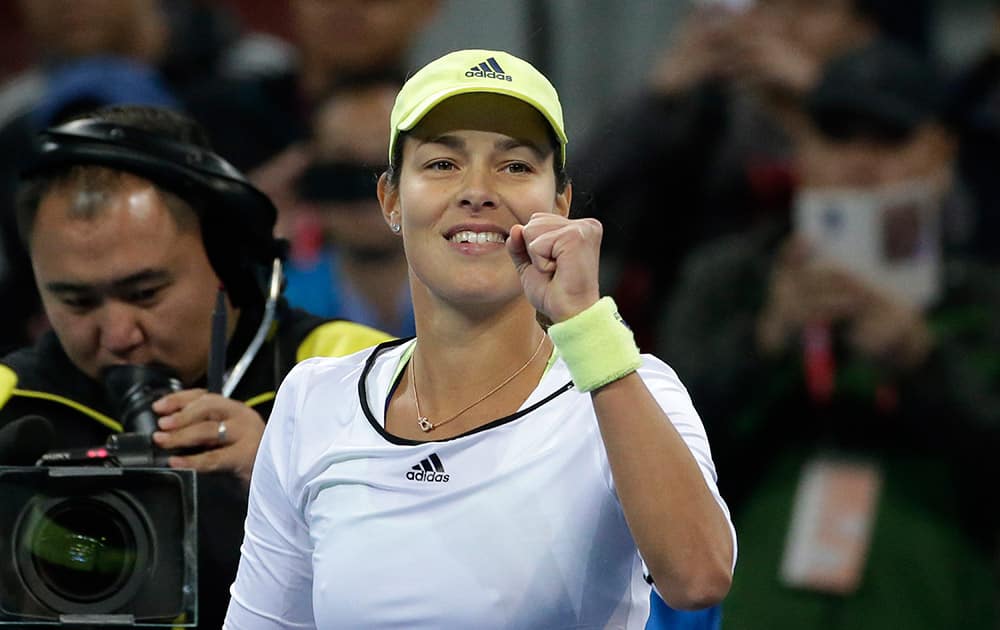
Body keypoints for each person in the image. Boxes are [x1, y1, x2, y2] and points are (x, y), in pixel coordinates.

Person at [225, 48, 736, 629]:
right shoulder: (313, 399)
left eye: (515, 166)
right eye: (442, 164)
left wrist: (586, 323)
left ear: (559, 204)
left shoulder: (630, 387)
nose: (477, 191)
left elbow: (698, 578)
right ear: (391, 199)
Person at [0, 105, 391, 628]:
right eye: (76, 302)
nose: (118, 335)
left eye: (145, 292)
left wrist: (284, 483)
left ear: (231, 263)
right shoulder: (8, 402)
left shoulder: (363, 377)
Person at [658, 41, 1000, 629]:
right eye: (838, 136)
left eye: (890, 139)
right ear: (803, 150)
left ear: (942, 154)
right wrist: (767, 339)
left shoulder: (985, 302)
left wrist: (921, 360)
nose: (861, 162)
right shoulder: (731, 281)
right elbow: (654, 463)